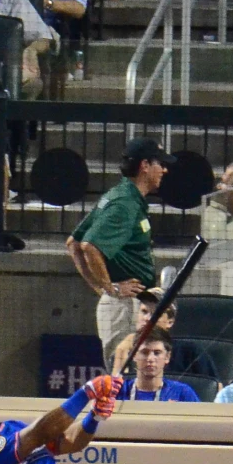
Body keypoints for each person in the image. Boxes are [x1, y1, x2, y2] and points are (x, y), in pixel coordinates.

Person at [68, 138, 167, 351]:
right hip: (124, 307)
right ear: (145, 166)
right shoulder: (124, 203)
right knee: (122, 374)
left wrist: (101, 288)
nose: (165, 170)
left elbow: (73, 243)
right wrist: (109, 288)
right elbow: (88, 246)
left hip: (128, 304)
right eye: (160, 164)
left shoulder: (122, 196)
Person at [117, 334, 198, 402]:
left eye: (157, 353)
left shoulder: (182, 393)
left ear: (167, 357)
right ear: (134, 355)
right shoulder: (117, 391)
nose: (150, 359)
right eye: (144, 352)